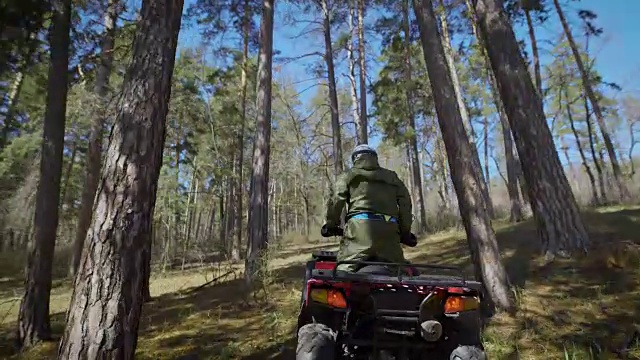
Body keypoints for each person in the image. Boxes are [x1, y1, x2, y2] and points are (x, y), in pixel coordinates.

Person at [322, 144, 417, 271]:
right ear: (375, 158)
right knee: (401, 272)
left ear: (355, 159)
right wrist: (405, 232)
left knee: (344, 271)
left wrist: (331, 225)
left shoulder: (348, 175)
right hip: (388, 231)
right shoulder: (392, 177)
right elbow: (405, 205)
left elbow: (336, 200)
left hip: (359, 230)